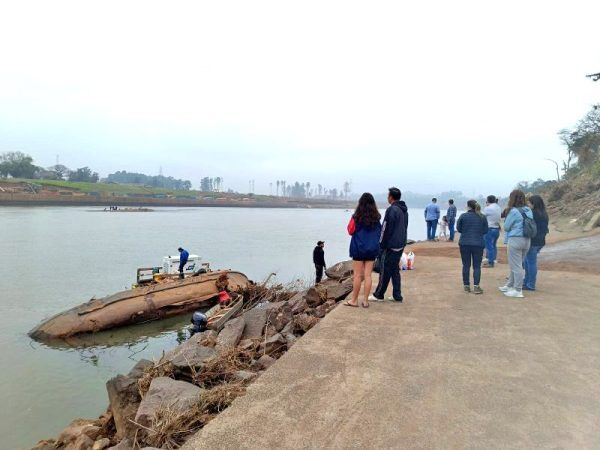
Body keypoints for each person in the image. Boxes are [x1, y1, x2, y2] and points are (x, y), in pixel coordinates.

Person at [371, 187, 409, 302]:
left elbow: (385, 229)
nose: (387, 198)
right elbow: (405, 227)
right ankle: (397, 295)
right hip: (400, 244)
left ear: (391, 197)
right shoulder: (404, 210)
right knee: (394, 270)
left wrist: (381, 245)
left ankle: (379, 294)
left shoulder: (391, 210)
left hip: (390, 246)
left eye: (388, 196)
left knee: (384, 270)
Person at [345, 193, 382, 308]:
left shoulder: (356, 217)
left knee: (357, 276)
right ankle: (365, 301)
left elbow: (350, 231)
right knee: (368, 276)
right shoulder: (377, 218)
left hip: (358, 249)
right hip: (371, 250)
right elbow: (380, 233)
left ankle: (354, 300)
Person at [499, 190, 533, 298]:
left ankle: (518, 290)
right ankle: (510, 285)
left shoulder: (513, 211)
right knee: (517, 264)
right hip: (527, 240)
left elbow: (507, 227)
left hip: (515, 239)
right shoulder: (528, 210)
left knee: (516, 266)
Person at [456, 200, 488, 293]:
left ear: (468, 206)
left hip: (464, 243)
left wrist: (466, 232)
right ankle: (476, 287)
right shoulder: (482, 217)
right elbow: (485, 230)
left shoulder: (463, 216)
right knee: (477, 266)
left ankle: (466, 286)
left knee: (466, 265)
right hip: (478, 243)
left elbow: (459, 229)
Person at [523, 195, 549, 291]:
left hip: (533, 241)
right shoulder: (544, 213)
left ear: (534, 204)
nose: (528, 205)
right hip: (541, 241)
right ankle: (526, 282)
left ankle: (530, 284)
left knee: (530, 262)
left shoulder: (532, 214)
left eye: (529, 203)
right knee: (528, 261)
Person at [483, 195, 502, 268]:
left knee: (489, 246)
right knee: (493, 245)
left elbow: (482, 217)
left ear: (488, 200)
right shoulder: (498, 207)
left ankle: (490, 262)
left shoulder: (488, 208)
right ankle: (493, 259)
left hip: (489, 228)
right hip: (496, 228)